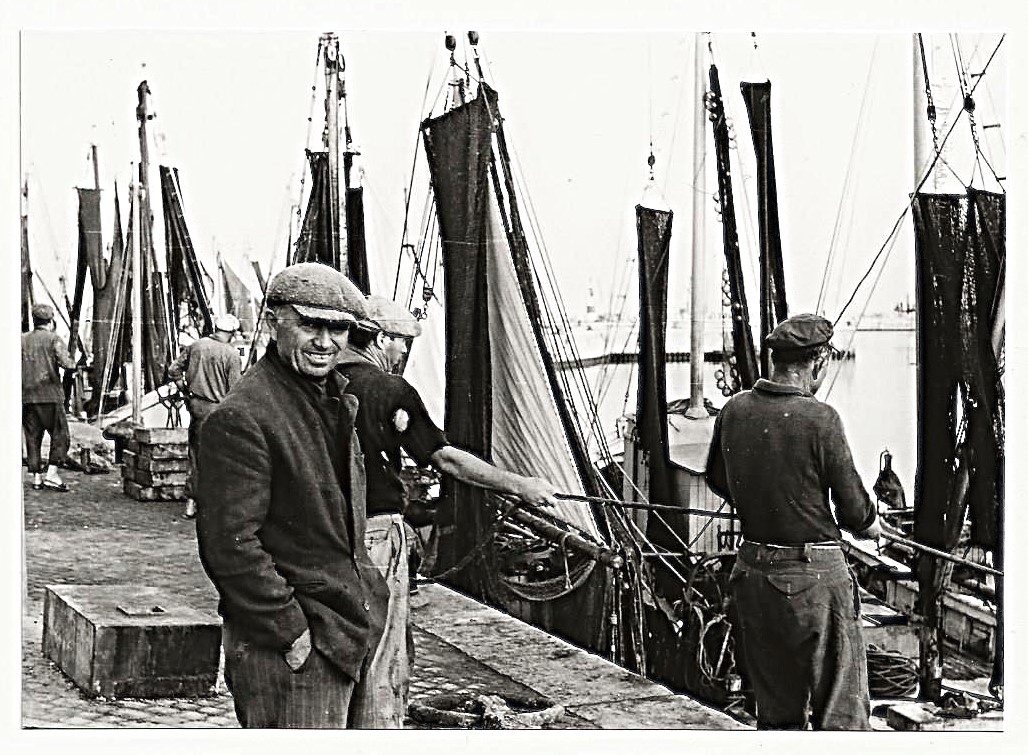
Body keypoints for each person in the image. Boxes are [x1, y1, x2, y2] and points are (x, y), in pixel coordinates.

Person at [336, 294, 558, 728]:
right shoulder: (388, 390)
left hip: (324, 532)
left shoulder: (317, 382)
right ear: (380, 339)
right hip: (374, 537)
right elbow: (446, 459)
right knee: (383, 655)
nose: (403, 352)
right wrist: (521, 485)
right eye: (402, 342)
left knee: (342, 644)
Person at [195, 263, 389, 728]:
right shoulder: (244, 416)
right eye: (310, 325)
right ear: (272, 321)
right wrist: (291, 632)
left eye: (338, 329)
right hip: (295, 647)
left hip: (344, 632)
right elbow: (230, 545)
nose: (325, 342)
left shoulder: (331, 399)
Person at [705, 313, 883, 731]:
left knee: (776, 716)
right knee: (841, 717)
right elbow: (855, 513)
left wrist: (767, 498)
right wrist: (872, 523)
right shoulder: (822, 420)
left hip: (753, 574)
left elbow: (716, 478)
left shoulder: (733, 410)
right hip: (813, 579)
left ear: (776, 360)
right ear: (819, 362)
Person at [167, 313, 243, 518]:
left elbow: (173, 370)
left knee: (196, 455)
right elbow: (235, 391)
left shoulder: (196, 346)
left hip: (197, 408)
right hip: (219, 411)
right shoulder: (232, 355)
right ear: (232, 333)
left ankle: (191, 503)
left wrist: (185, 389)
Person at [22, 303, 77, 492]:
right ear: (51, 321)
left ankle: (37, 477)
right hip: (50, 396)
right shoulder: (54, 339)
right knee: (61, 435)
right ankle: (52, 474)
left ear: (34, 320)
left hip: (27, 397)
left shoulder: (22, 340)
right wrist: (74, 363)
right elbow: (68, 364)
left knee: (32, 437)